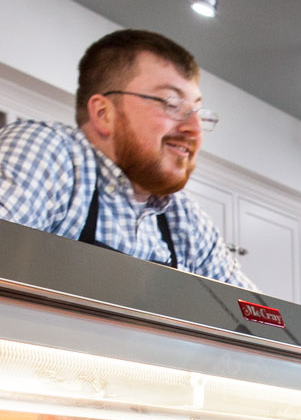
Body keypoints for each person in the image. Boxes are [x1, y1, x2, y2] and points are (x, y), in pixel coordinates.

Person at [0, 28, 252, 286]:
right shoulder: (52, 152)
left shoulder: (185, 217)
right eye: (171, 104)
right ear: (103, 113)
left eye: (198, 113)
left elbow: (255, 321)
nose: (195, 129)